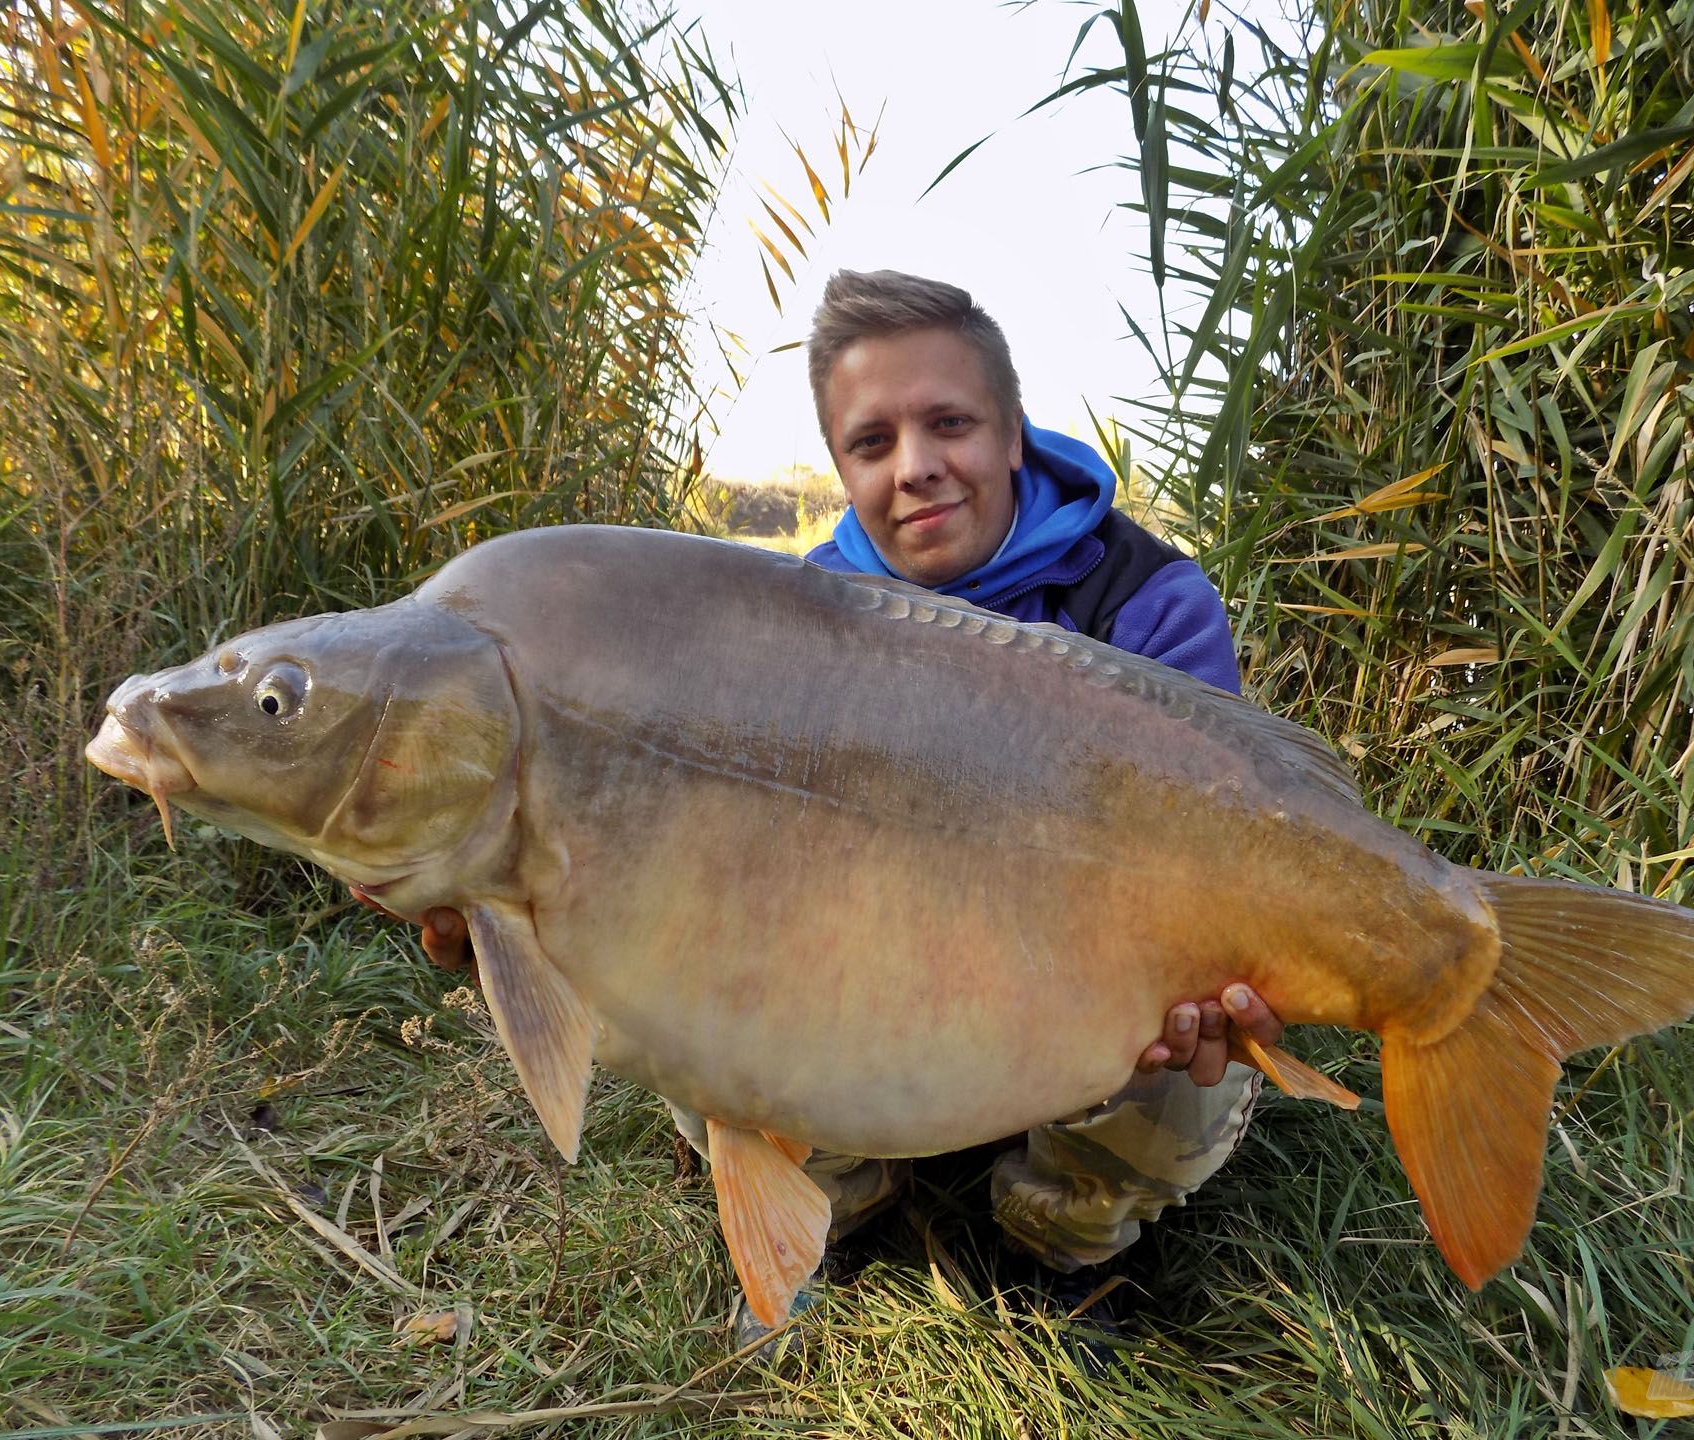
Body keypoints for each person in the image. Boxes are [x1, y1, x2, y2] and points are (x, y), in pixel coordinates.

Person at [379, 268, 1283, 1329]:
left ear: (1011, 432)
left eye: (949, 423)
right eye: (871, 443)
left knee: (1194, 1053)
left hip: (1077, 1001)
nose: (916, 469)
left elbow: (1235, 840)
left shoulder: (1146, 600)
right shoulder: (787, 626)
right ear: (840, 464)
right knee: (674, 963)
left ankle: (1062, 1240)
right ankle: (844, 1203)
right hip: (875, 989)